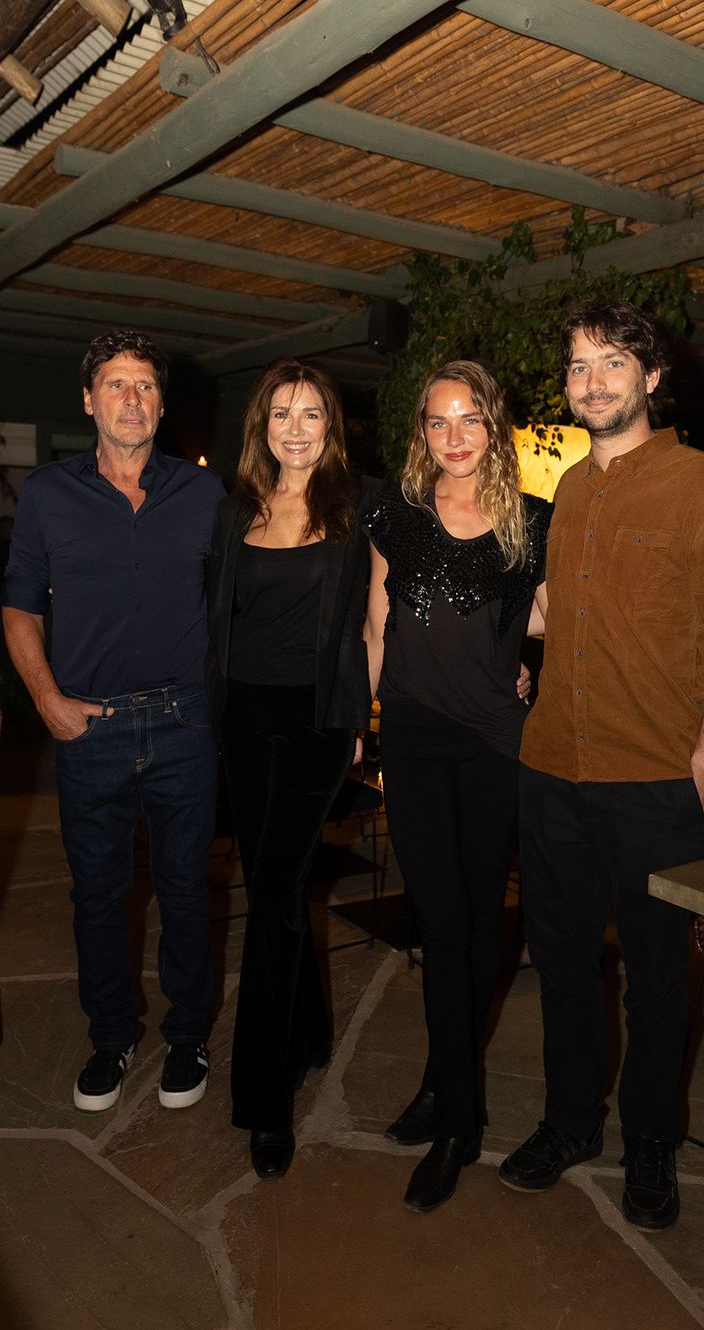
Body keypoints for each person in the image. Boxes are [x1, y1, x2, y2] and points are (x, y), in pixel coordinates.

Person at [499, 300, 704, 1230]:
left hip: (656, 775)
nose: (592, 380)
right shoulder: (569, 489)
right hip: (553, 767)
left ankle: (651, 1139)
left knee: (656, 978)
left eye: (612, 363)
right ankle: (571, 1122)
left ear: (652, 376)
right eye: (578, 366)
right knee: (562, 962)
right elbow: (569, 620)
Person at [1, 330, 225, 1112]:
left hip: (184, 723)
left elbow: (242, 601)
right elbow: (19, 605)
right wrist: (46, 700)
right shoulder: (48, 496)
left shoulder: (203, 495)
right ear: (89, 399)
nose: (132, 399)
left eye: (145, 387)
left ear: (161, 404)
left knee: (186, 890)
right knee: (96, 894)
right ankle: (112, 1036)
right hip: (87, 729)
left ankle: (190, 1033)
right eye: (116, 385)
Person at [363, 360, 551, 1212]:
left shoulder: (532, 527)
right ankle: (458, 1120)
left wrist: (525, 669)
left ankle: (447, 1087)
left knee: (478, 920)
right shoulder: (393, 516)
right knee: (442, 922)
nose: (454, 436)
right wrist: (356, 728)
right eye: (438, 421)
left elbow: (556, 617)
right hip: (412, 737)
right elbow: (377, 623)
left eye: (469, 418)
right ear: (422, 434)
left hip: (493, 746)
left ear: (495, 427)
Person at [205, 359, 376, 1180]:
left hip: (316, 722)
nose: (297, 428)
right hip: (243, 717)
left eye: (311, 414)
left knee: (271, 890)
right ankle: (307, 1031)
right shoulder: (236, 507)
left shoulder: (360, 505)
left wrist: (358, 717)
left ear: (330, 425)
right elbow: (215, 613)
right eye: (282, 413)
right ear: (261, 425)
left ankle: (263, 1097)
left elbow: (380, 621)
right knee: (282, 886)